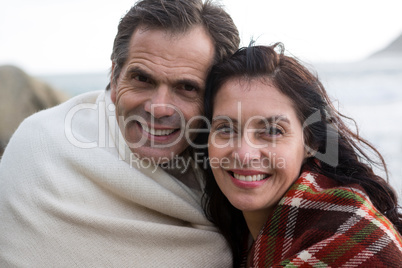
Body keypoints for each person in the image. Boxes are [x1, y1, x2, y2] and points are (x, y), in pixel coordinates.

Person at [0, 0, 240, 266]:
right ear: (115, 78)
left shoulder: (239, 175)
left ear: (215, 97)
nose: (158, 108)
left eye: (186, 87)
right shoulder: (40, 144)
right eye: (142, 79)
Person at [202, 44, 402, 267]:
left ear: (310, 143)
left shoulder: (354, 240)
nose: (244, 154)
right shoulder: (225, 239)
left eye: (272, 131)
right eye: (225, 129)